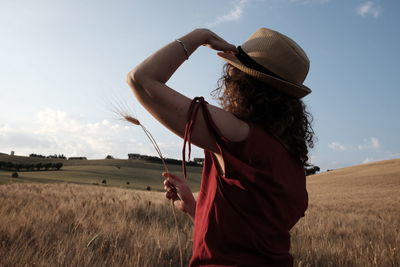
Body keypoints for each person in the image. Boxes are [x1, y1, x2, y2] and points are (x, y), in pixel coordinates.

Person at [126, 28, 314, 267]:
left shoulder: (239, 135)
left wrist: (200, 36)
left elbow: (141, 80)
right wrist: (193, 208)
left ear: (239, 82)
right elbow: (250, 236)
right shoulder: (293, 162)